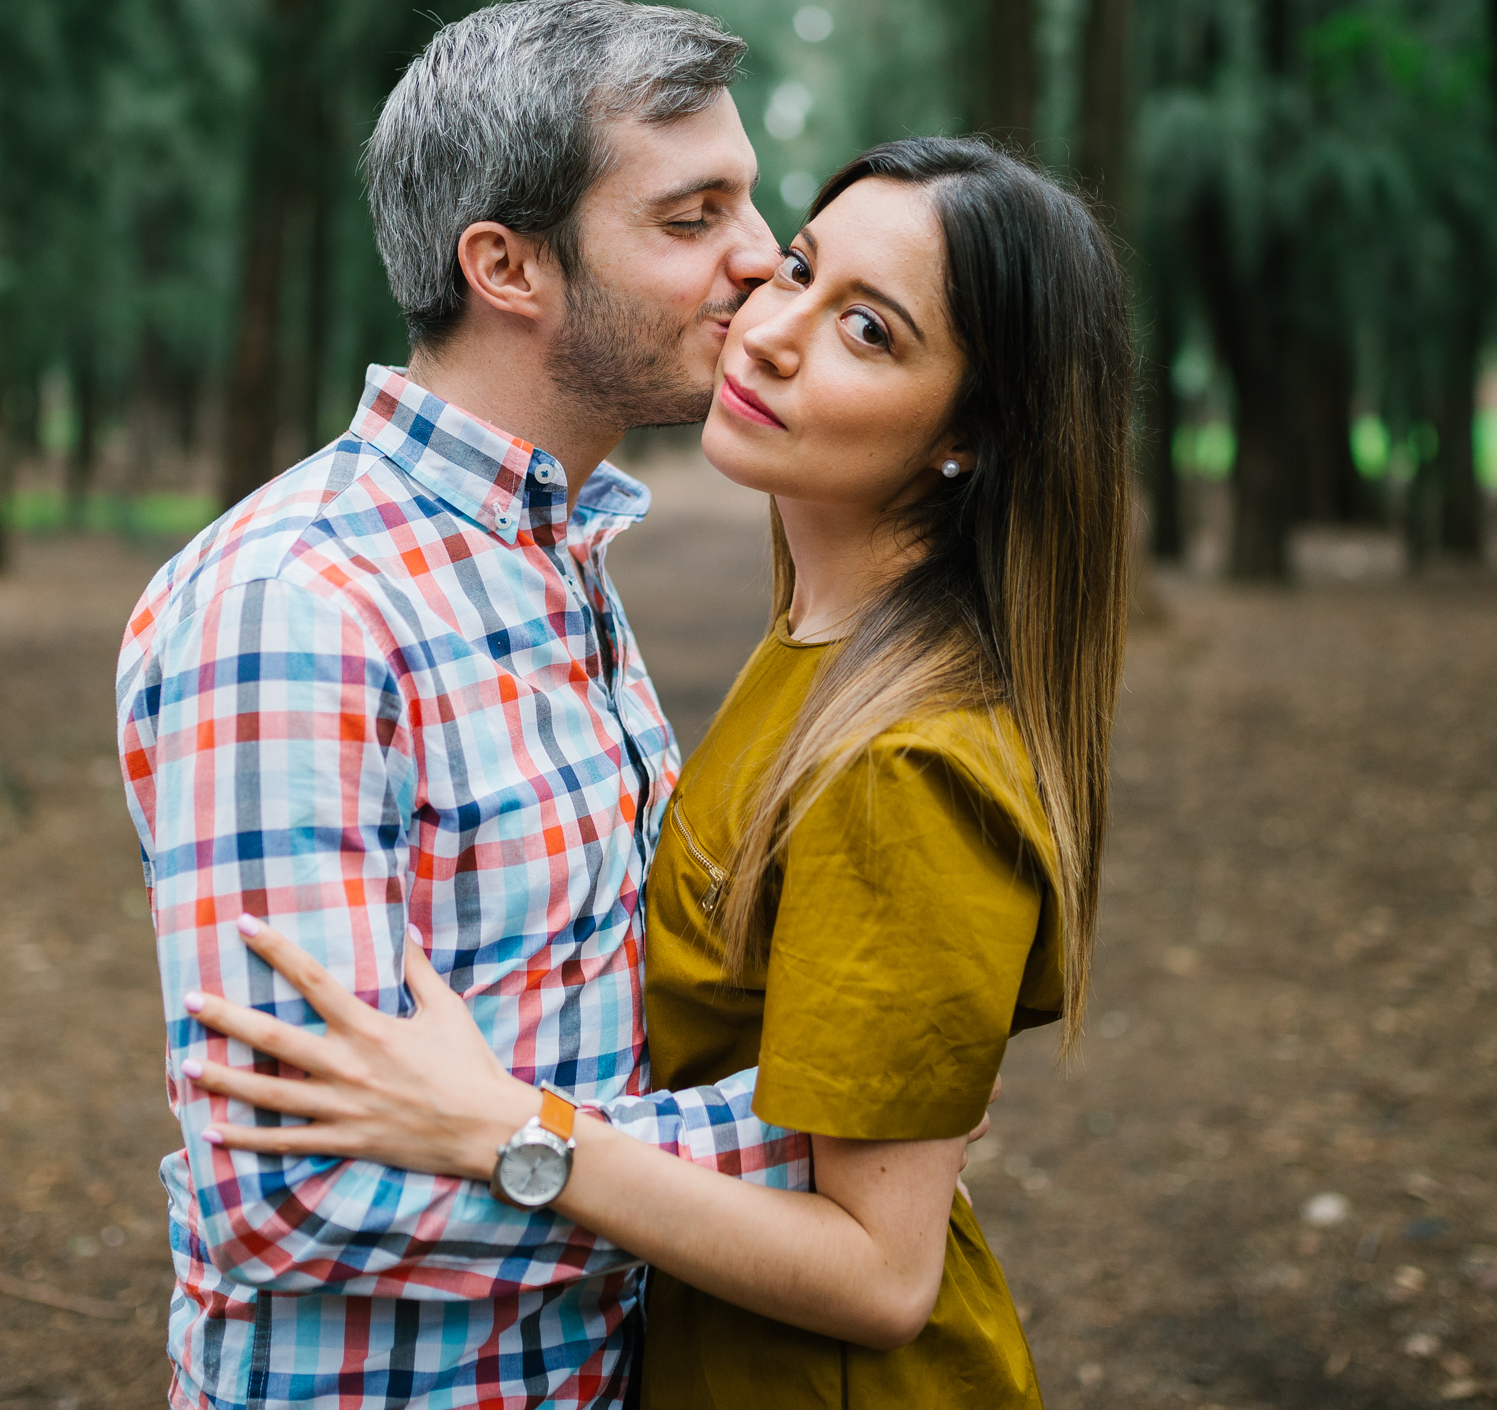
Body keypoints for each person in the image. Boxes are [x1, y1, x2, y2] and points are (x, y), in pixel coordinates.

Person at [184, 137, 1136, 1408]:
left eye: (868, 329)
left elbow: (878, 1272)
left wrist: (503, 1129)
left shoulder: (907, 755)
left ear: (966, 435)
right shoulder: (809, 649)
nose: (773, 328)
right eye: (798, 267)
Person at [115, 0, 825, 1410]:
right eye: (692, 219)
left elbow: (570, 1028)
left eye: (748, 203)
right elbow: (292, 1194)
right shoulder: (299, 610)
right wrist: (812, 1146)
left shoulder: (549, 553)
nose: (761, 260)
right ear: (508, 265)